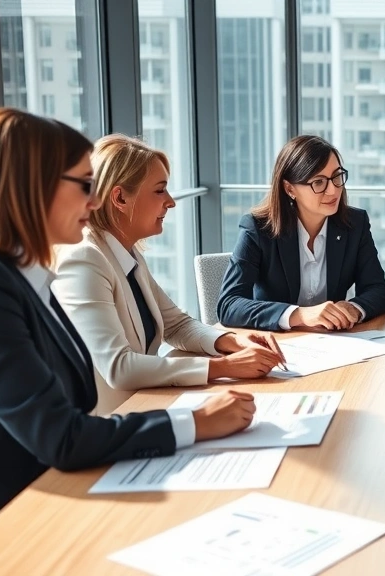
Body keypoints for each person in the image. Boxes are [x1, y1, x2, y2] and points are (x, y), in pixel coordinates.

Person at [0, 108, 256, 513]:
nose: (92, 202)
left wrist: (227, 345)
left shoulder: (27, 275)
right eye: (83, 185)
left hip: (67, 478)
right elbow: (61, 435)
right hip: (20, 509)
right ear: (33, 187)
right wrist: (195, 422)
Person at [54, 135, 283, 415]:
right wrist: (224, 367)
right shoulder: (85, 259)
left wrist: (232, 342)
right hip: (114, 422)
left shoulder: (126, 253)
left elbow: (175, 325)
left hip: (147, 404)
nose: (171, 202)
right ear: (121, 198)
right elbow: (119, 367)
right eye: (160, 191)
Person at [217, 135, 385, 331]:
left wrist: (353, 308)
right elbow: (228, 305)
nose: (333, 191)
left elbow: (379, 290)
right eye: (318, 182)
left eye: (337, 177)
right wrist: (299, 315)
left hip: (336, 343)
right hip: (279, 344)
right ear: (290, 188)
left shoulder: (355, 224)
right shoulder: (258, 228)